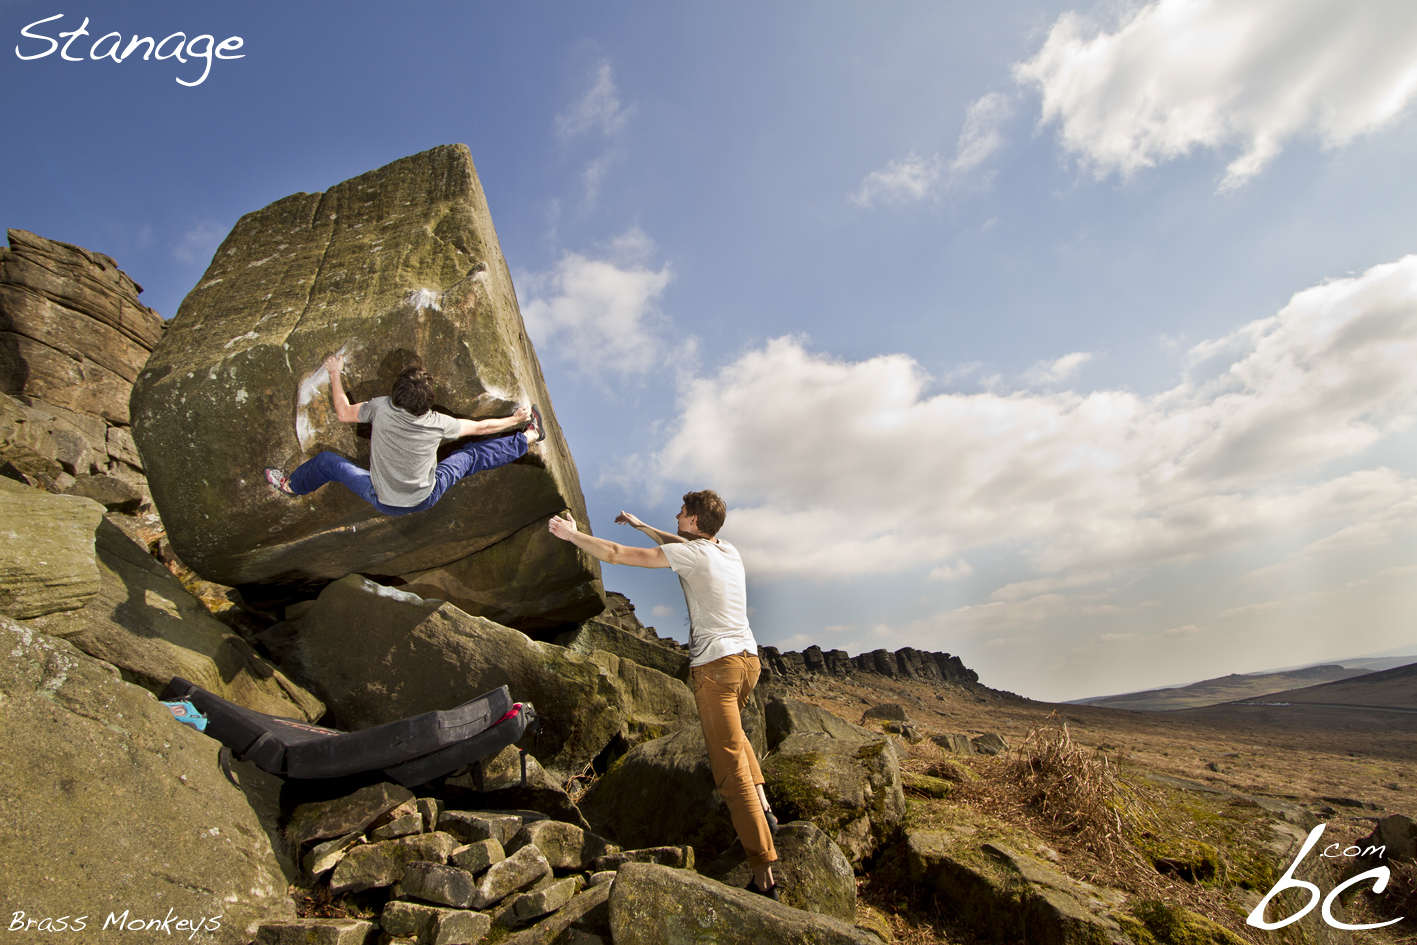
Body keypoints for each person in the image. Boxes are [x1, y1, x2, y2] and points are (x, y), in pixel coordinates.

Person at [547, 490, 781, 899]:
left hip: (716, 670)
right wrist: (643, 525)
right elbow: (680, 545)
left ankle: (764, 873)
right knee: (736, 734)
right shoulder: (728, 551)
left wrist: (572, 535)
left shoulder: (693, 555)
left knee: (729, 772)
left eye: (681, 512)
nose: (676, 515)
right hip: (748, 663)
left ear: (692, 521)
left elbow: (618, 554)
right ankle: (764, 805)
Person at [264, 352, 543, 515]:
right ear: (428, 401)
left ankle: (291, 487)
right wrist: (514, 419)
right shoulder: (439, 423)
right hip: (425, 498)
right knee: (470, 457)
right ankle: (529, 436)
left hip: (382, 499)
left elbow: (343, 412)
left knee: (326, 462)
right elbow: (483, 428)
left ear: (395, 395)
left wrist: (335, 373)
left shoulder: (381, 408)